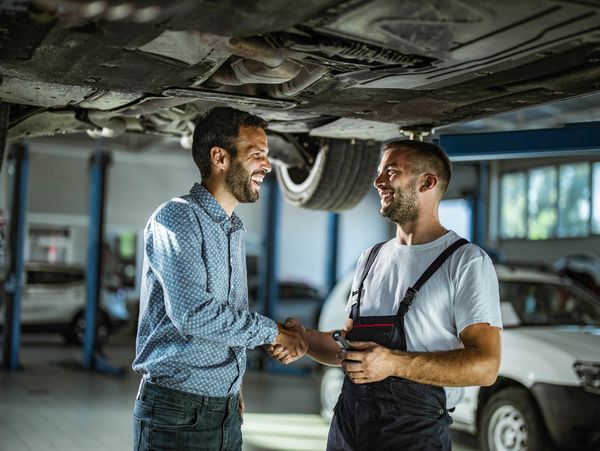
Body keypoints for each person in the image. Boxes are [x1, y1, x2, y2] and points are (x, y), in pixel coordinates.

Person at [272, 140, 502, 450]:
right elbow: (349, 346)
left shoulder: (465, 261)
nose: (378, 181)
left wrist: (394, 363)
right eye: (380, 172)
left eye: (391, 172)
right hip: (349, 424)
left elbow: (486, 366)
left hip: (413, 431)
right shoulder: (371, 257)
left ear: (427, 182)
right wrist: (306, 340)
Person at [132, 107, 307, 451]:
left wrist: (231, 382)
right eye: (257, 154)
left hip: (223, 408)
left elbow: (224, 315)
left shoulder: (232, 229)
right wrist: (273, 332)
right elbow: (193, 313)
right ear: (220, 158)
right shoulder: (177, 216)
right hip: (178, 411)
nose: (267, 166)